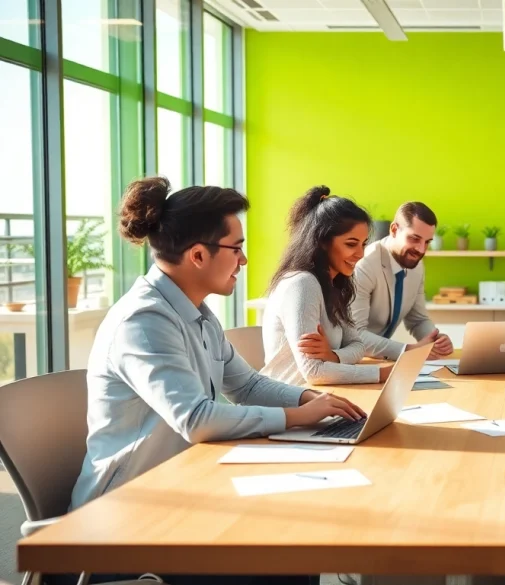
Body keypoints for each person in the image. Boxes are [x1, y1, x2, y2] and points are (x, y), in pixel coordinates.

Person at [69, 177, 362, 585]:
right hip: (126, 522)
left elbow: (247, 386)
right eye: (237, 248)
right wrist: (297, 417)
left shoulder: (199, 314)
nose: (243, 261)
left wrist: (309, 397)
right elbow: (197, 419)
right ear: (197, 256)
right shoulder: (145, 320)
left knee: (292, 540)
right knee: (285, 560)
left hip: (181, 491)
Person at [261, 186, 393, 386]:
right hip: (289, 403)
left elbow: (357, 345)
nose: (360, 254)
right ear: (322, 241)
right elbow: (314, 372)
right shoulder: (302, 284)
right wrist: (381, 374)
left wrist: (332, 356)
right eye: (351, 244)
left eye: (363, 244)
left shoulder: (335, 284)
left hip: (320, 397)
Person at [352, 202, 453, 361]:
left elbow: (418, 320)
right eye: (414, 238)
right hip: (353, 360)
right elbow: (355, 335)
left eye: (427, 242)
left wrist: (436, 339)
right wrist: (407, 350)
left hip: (380, 360)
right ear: (394, 230)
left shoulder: (416, 265)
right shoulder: (366, 264)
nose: (421, 249)